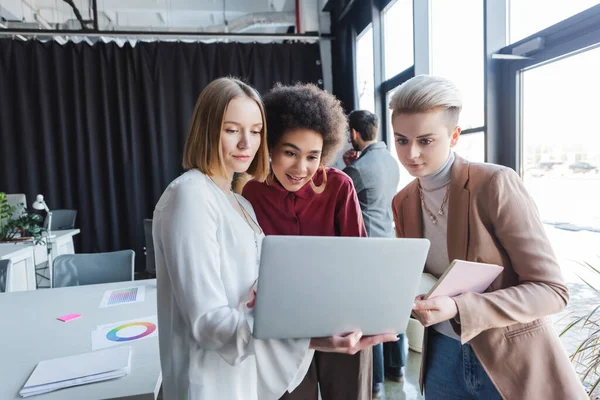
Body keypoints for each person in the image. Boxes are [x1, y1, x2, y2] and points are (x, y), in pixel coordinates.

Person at [153, 77, 396, 400]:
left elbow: (245, 281)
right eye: (231, 129)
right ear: (207, 128)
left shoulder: (235, 202)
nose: (246, 143)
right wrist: (306, 335)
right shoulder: (193, 196)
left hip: (250, 361)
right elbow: (208, 322)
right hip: (216, 374)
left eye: (255, 131)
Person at [389, 75, 586, 399]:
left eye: (425, 141)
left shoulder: (494, 184)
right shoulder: (403, 201)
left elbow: (552, 291)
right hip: (440, 357)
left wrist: (459, 307)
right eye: (401, 140)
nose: (411, 154)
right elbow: (422, 279)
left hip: (509, 358)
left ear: (454, 136)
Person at [243, 83, 373, 400]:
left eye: (312, 156)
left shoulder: (339, 185)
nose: (301, 168)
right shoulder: (251, 194)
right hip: (285, 325)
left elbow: (361, 257)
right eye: (290, 153)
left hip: (342, 318)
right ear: (270, 147)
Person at [342, 110, 406, 398]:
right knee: (392, 310)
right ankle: (398, 368)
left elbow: (337, 192)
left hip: (368, 251)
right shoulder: (392, 162)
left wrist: (346, 168)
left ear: (354, 134)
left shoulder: (356, 169)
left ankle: (376, 382)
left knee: (372, 318)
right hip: (391, 244)